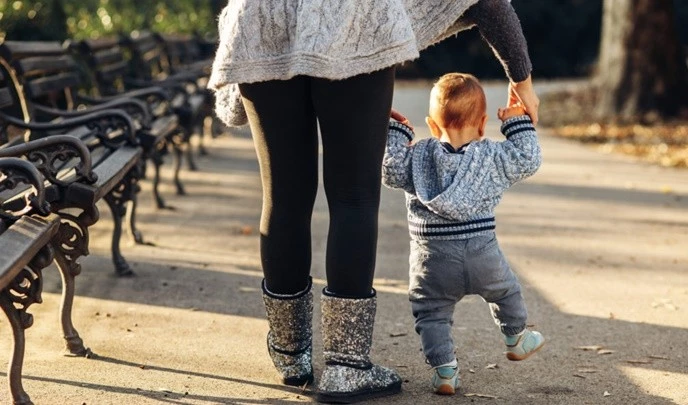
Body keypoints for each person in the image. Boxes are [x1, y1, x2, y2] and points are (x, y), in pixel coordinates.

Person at [208, 0, 539, 402]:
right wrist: (521, 82)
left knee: (284, 196)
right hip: (354, 20)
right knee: (353, 197)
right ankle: (346, 367)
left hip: (262, 19)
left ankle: (290, 355)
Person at [382, 73, 545, 395]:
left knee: (431, 313)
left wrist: (395, 131)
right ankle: (516, 336)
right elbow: (528, 158)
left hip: (432, 260)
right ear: (483, 125)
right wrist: (517, 123)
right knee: (506, 291)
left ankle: (444, 370)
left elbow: (389, 168)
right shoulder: (493, 158)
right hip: (483, 255)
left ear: (431, 125)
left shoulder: (417, 158)